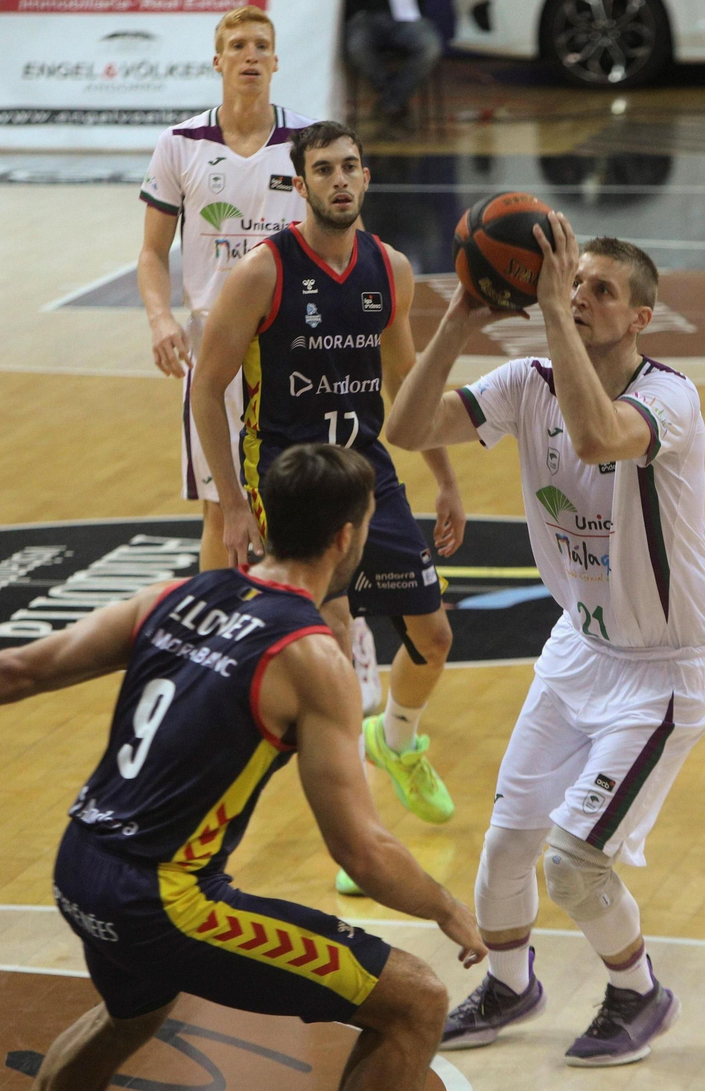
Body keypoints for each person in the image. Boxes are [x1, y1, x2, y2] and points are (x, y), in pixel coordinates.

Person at [0, 443, 488, 1091]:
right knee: (415, 1000)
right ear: (346, 537)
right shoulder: (309, 656)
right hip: (163, 898)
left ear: (263, 522)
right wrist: (446, 906)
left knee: (135, 1010)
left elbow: (19, 667)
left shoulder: (175, 595)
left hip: (79, 866)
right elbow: (359, 848)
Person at [386, 214, 705, 1066]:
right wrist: (459, 317)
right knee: (508, 839)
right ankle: (510, 982)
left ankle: (639, 991)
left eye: (599, 290)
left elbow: (597, 436)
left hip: (669, 668)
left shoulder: (668, 397)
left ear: (640, 317)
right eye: (574, 284)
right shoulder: (523, 382)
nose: (579, 297)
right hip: (580, 648)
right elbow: (406, 428)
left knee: (575, 861)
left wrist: (546, 310)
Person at [193, 120, 466, 883]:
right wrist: (235, 500)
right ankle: (362, 844)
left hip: (368, 475)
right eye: (324, 169)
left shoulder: (392, 268)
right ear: (300, 183)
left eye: (350, 167)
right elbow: (207, 386)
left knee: (434, 636)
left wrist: (445, 477)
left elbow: (407, 386)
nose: (340, 180)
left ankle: (400, 736)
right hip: (292, 480)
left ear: (366, 178)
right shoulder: (261, 271)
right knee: (339, 656)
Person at [136, 9, 386, 717]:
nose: (250, 56)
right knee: (223, 510)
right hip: (217, 344)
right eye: (237, 46)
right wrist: (160, 317)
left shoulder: (307, 143)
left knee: (329, 500)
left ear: (277, 62)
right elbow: (153, 254)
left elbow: (351, 243)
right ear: (217, 61)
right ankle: (212, 656)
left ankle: (350, 638)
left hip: (298, 343)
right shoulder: (179, 144)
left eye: (262, 47)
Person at [342, 0, 443, 138]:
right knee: (356, 46)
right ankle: (394, 101)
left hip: (408, 17)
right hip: (367, 15)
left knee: (429, 47)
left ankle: (390, 103)